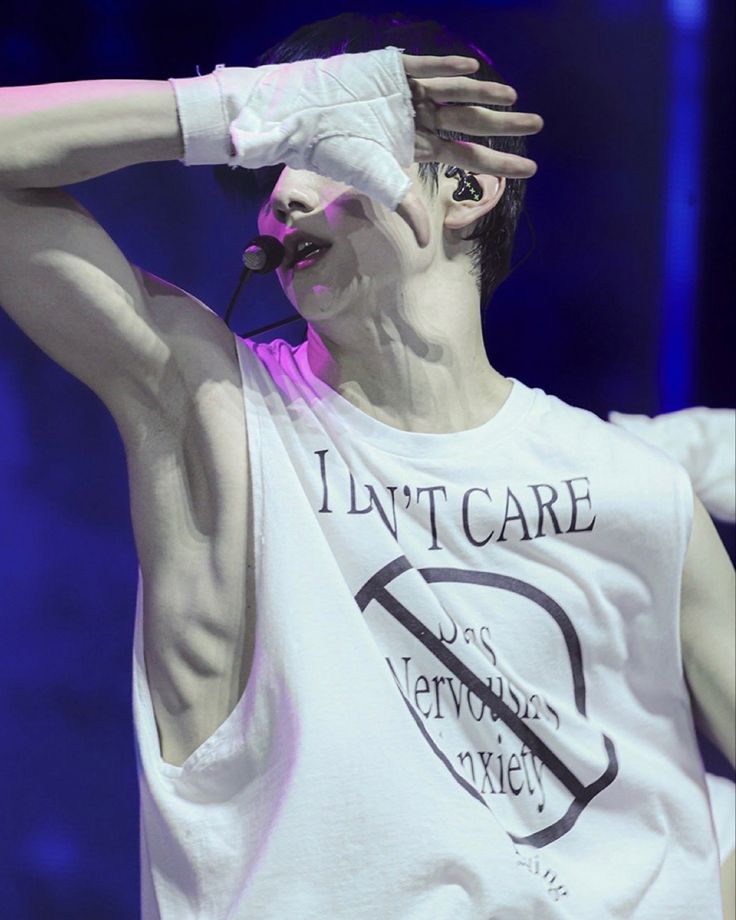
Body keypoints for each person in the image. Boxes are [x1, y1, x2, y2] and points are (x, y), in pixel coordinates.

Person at [0, 11, 733, 919]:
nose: (282, 198)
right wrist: (230, 106)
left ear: (463, 187)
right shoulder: (217, 415)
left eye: (329, 147)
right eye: (277, 157)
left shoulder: (643, 493)